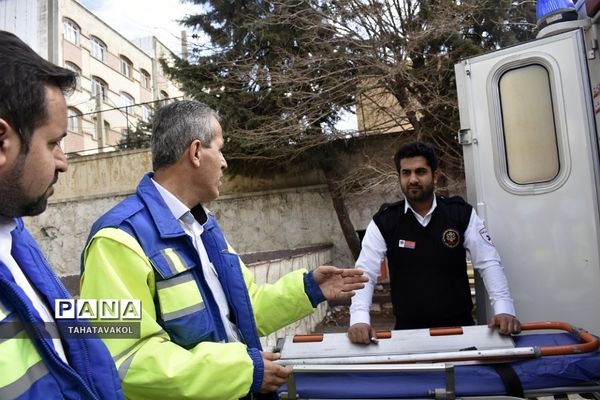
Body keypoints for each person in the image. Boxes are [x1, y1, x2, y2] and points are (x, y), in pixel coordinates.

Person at [80, 99, 367, 399]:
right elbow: (125, 358)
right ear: (195, 152)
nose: (225, 161)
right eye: (219, 148)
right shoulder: (116, 240)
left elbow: (244, 308)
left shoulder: (204, 229)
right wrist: (242, 372)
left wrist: (309, 289)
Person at [0, 30, 122, 399]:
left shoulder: (13, 231)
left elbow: (55, 322)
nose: (63, 162)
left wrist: (135, 320)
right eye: (53, 142)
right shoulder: (123, 231)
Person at [347, 141, 521, 345]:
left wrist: (504, 310)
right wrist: (359, 320)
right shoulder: (385, 221)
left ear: (435, 176)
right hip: (407, 336)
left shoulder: (460, 214)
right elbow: (364, 272)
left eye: (420, 172)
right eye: (406, 173)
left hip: (460, 331)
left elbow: (488, 262)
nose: (413, 179)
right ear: (399, 177)